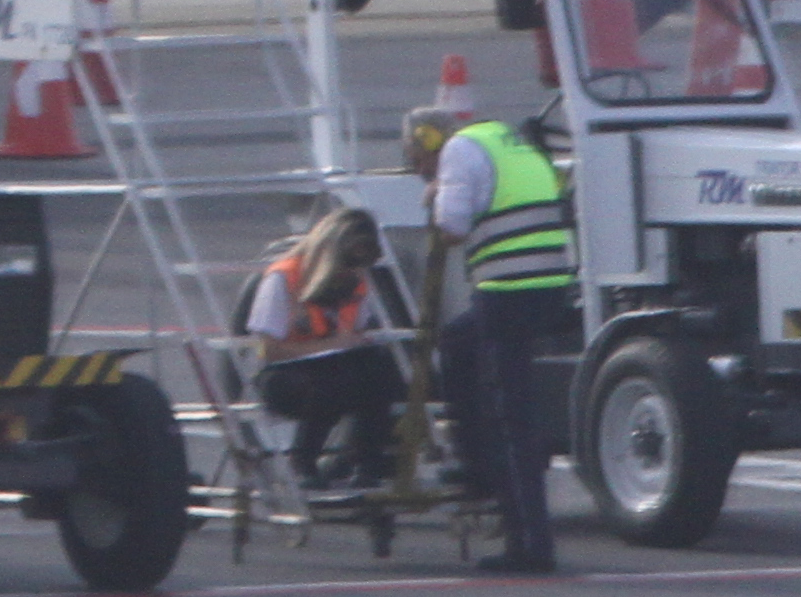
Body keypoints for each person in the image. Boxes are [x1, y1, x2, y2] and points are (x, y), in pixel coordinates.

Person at [411, 98, 576, 572]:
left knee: (511, 420)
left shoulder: (460, 152)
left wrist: (438, 191)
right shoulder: (506, 139)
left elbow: (453, 226)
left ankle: (530, 543)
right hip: (548, 286)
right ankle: (475, 459)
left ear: (428, 143)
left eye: (420, 163)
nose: (423, 172)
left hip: (509, 289)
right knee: (458, 344)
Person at [244, 198, 400, 488]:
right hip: (284, 375)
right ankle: (303, 463)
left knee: (379, 370)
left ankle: (367, 463)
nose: (353, 273)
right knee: (331, 382)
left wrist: (353, 344)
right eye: (348, 263)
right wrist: (332, 345)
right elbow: (270, 351)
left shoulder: (357, 282)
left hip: (334, 367)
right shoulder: (283, 280)